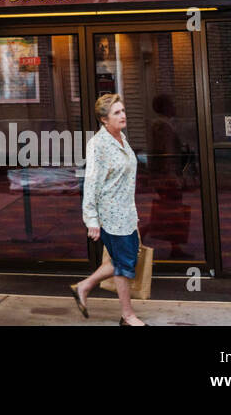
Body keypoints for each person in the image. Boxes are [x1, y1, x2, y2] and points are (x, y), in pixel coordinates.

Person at [70, 93, 147, 326]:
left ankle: (83, 286)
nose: (123, 115)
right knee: (124, 264)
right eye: (117, 112)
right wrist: (91, 220)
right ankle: (128, 316)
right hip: (111, 215)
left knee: (122, 258)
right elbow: (91, 182)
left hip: (126, 214)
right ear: (104, 119)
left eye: (123, 110)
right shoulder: (98, 145)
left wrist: (132, 211)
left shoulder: (122, 138)